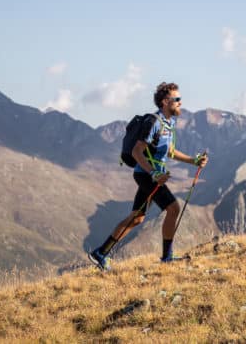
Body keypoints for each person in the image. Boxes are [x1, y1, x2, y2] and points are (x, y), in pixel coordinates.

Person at [88, 82, 208, 270]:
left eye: (180, 99)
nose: (180, 102)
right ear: (164, 102)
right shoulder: (154, 122)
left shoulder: (169, 123)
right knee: (174, 208)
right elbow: (137, 152)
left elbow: (170, 151)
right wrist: (154, 174)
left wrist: (193, 161)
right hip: (147, 175)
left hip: (150, 175)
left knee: (137, 218)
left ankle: (101, 253)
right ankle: (167, 257)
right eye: (176, 99)